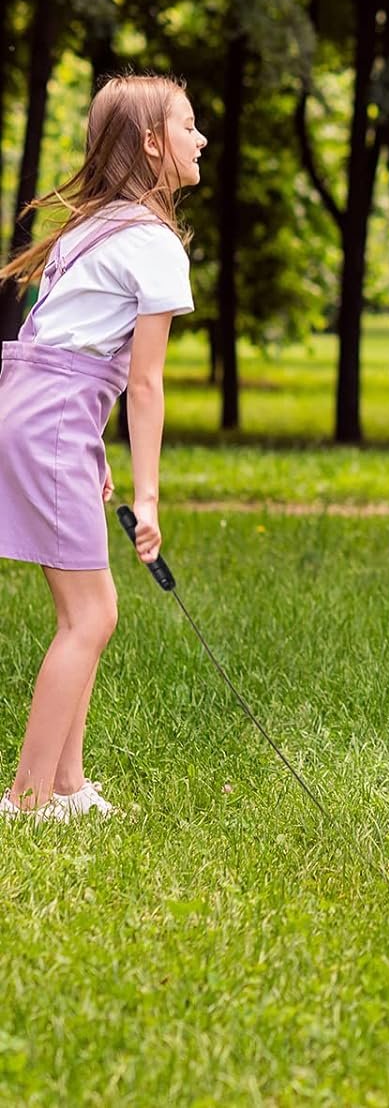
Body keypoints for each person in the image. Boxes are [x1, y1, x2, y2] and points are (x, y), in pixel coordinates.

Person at [0, 75, 204, 820]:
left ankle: (67, 785)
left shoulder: (94, 227)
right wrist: (149, 499)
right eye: (188, 125)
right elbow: (144, 384)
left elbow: (66, 346)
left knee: (87, 611)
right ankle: (27, 800)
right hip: (51, 419)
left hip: (38, 412)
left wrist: (90, 450)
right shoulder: (152, 242)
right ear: (151, 143)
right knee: (90, 617)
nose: (200, 138)